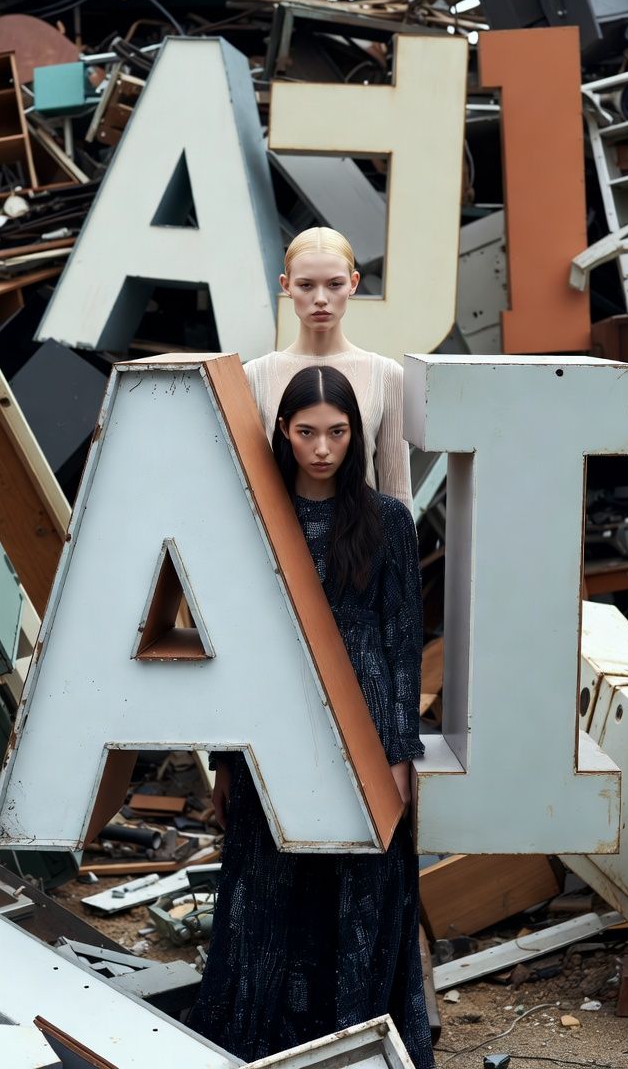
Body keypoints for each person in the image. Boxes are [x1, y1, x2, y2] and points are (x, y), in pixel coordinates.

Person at [187, 365, 432, 1069]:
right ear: (283, 433)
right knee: (268, 887)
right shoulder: (259, 521)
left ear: (355, 435)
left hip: (364, 730)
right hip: (276, 728)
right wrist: (226, 760)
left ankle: (354, 1042)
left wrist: (397, 756)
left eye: (336, 432)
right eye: (305, 432)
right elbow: (233, 649)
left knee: (359, 892)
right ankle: (268, 1047)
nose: (321, 448)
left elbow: (401, 643)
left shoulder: (386, 521)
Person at [245, 226, 412, 511]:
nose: (321, 298)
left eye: (334, 284)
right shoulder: (254, 376)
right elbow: (248, 487)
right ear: (286, 286)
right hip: (278, 547)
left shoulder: (386, 375)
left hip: (361, 547)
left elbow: (397, 493)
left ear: (353, 282)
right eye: (306, 285)